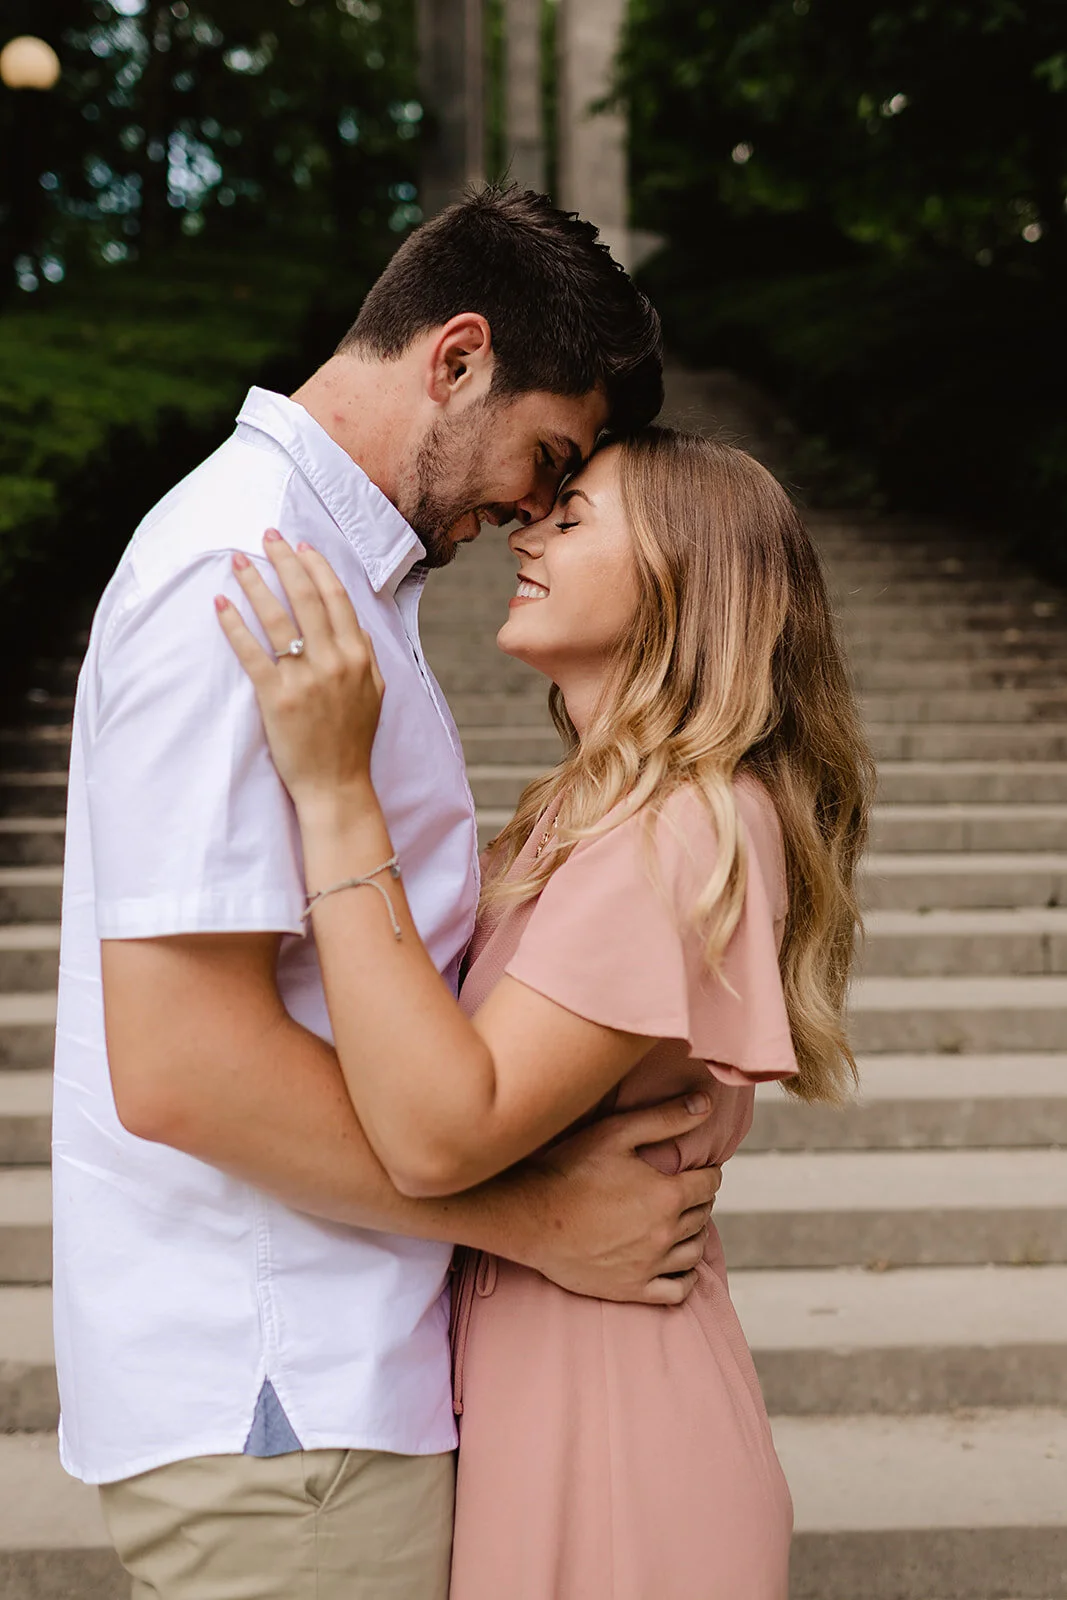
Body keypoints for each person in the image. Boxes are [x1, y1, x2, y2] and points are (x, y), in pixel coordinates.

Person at [54, 189, 724, 1600]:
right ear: (456, 355)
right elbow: (177, 1066)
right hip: (284, 1407)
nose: (539, 508)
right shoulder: (246, 575)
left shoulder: (334, 575)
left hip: (325, 1397)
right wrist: (540, 1223)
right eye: (549, 456)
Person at [217, 426, 876, 1598]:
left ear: (685, 580)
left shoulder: (691, 829)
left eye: (571, 519)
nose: (525, 529)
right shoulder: (582, 815)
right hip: (548, 1378)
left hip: (617, 1423)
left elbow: (441, 1127)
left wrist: (332, 789)